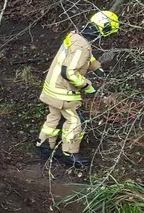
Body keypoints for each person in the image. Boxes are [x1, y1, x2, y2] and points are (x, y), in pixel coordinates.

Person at [34, 10, 119, 166]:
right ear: (104, 29)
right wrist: (88, 86)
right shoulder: (83, 46)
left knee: (53, 118)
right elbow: (69, 72)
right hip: (63, 92)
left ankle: (44, 147)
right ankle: (70, 154)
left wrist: (97, 68)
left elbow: (82, 57)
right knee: (76, 121)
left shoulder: (75, 36)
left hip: (51, 87)